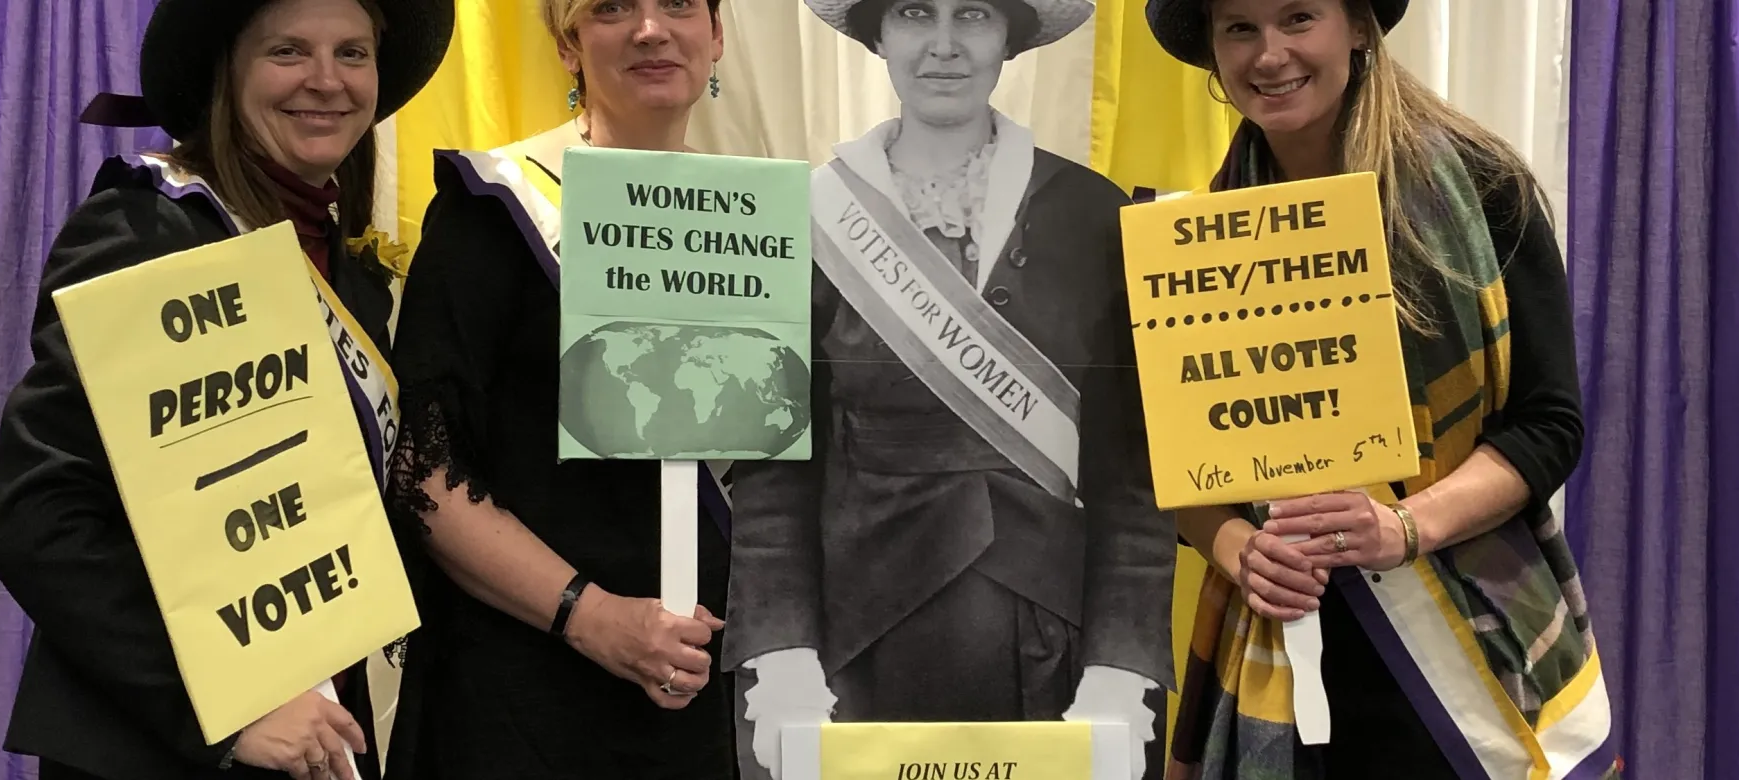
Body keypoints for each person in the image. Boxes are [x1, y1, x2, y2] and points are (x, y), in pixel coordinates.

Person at [1143, 1, 1619, 778]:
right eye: (1240, 28)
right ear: (1213, 51)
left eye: (1299, 17)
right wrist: (1237, 549)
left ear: (1358, 26)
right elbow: (1171, 457)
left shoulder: (1484, 192)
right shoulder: (1195, 242)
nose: (1271, 55)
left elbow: (1547, 424)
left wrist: (1403, 527)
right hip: (1278, 649)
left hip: (1468, 644)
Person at [0, 0, 452, 779]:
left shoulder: (352, 272)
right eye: (288, 52)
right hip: (161, 747)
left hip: (320, 734)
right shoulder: (146, 231)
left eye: (353, 54)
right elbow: (40, 518)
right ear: (228, 72)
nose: (326, 81)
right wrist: (228, 707)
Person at [721, 0, 1175, 778]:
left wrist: (1122, 661)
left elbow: (1133, 474)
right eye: (913, 13)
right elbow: (773, 469)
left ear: (1009, 36)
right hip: (853, 650)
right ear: (878, 33)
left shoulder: (1099, 216)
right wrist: (779, 648)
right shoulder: (804, 219)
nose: (943, 47)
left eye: (972, 15)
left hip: (1050, 650)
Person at [374, 0, 736, 778]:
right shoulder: (492, 210)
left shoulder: (764, 224)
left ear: (716, 35)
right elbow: (422, 471)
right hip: (530, 698)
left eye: (678, 4)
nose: (649, 28)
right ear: (569, 47)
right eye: (610, 8)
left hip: (708, 698)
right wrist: (592, 617)